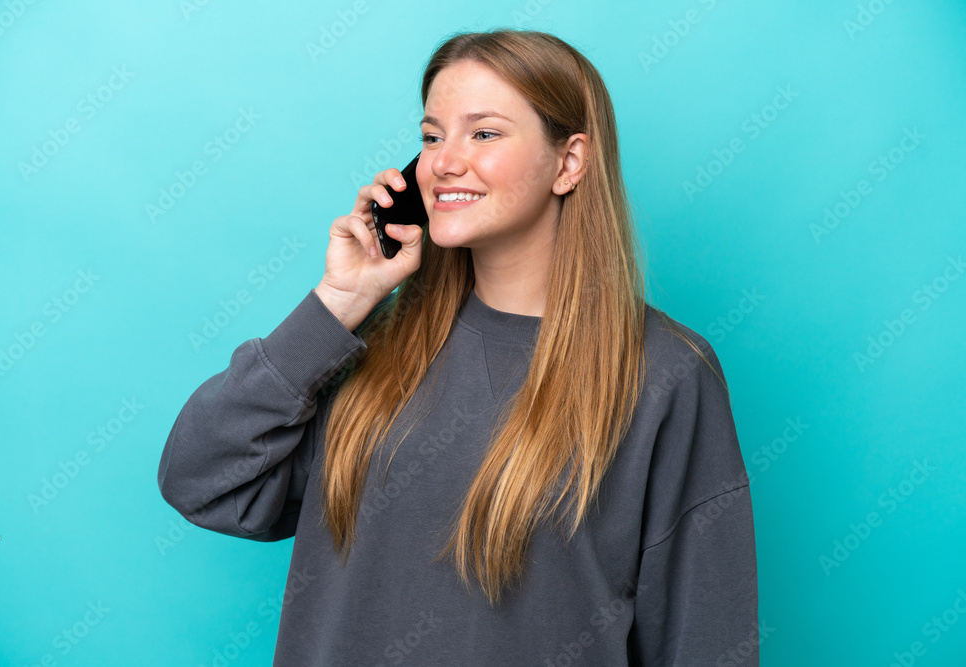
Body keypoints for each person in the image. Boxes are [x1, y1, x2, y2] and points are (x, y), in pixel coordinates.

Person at [157, 28, 758, 666]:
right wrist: (341, 300)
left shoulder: (663, 375)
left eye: (485, 133)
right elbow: (201, 481)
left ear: (570, 162)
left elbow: (705, 640)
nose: (443, 161)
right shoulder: (372, 349)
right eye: (432, 135)